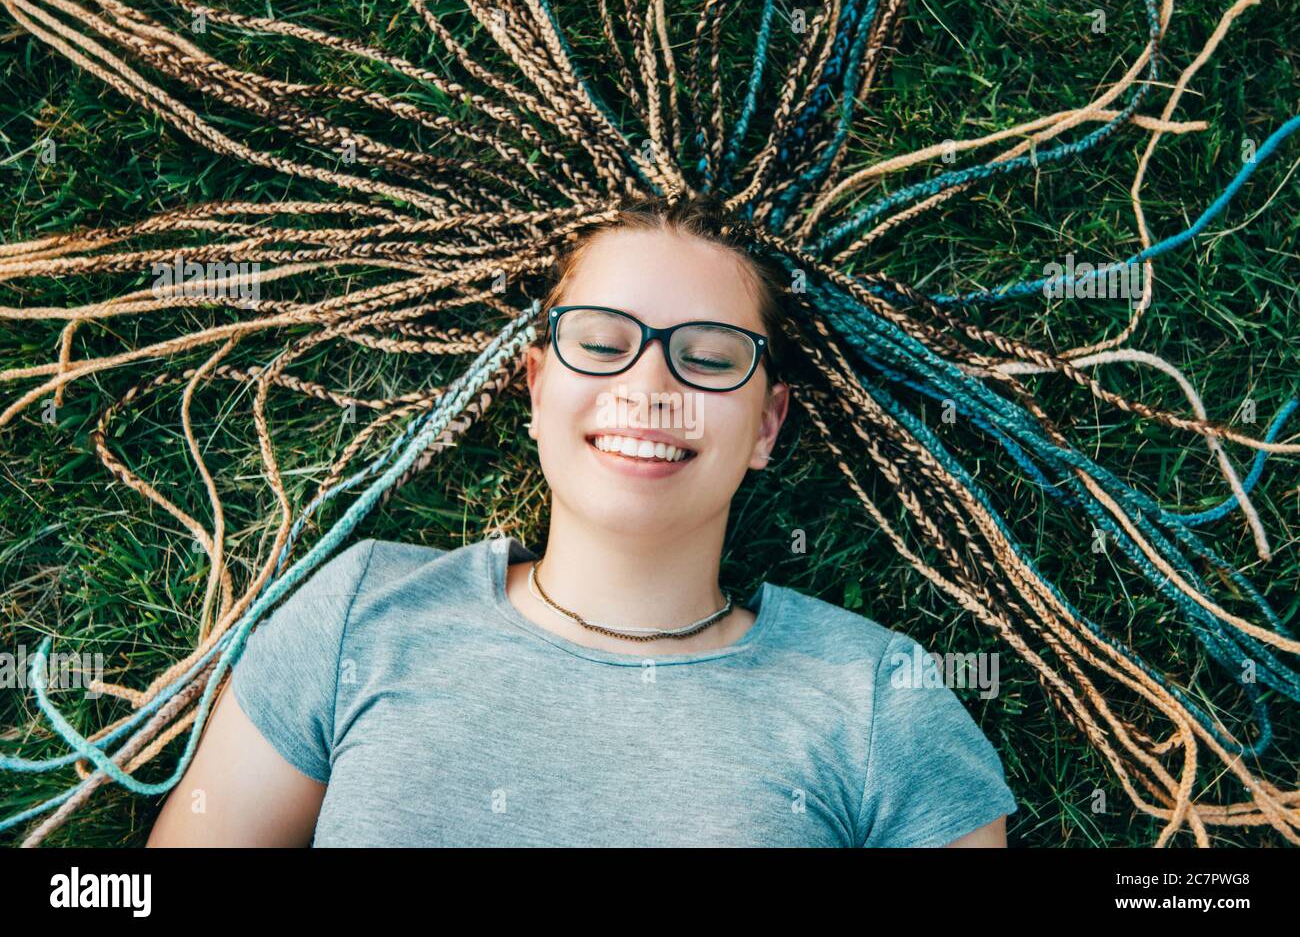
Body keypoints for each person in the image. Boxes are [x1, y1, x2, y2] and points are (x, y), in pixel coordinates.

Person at [146, 192, 1016, 847]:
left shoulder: (873, 698)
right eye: (600, 344)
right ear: (534, 387)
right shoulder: (361, 611)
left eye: (708, 358)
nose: (648, 389)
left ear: (765, 424)